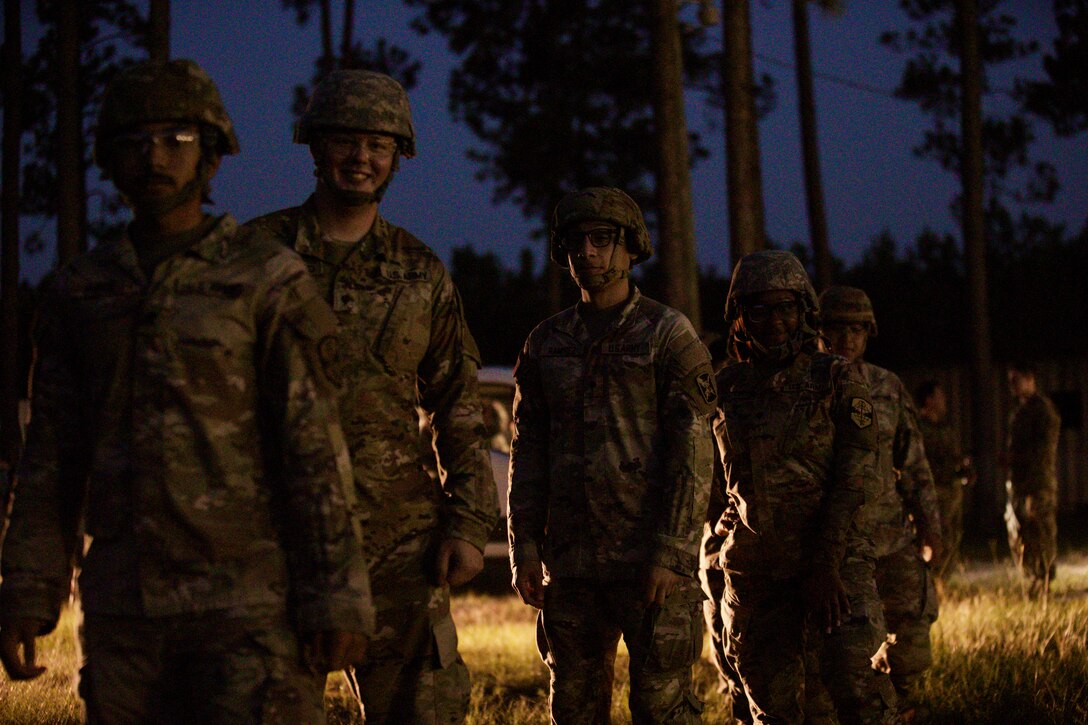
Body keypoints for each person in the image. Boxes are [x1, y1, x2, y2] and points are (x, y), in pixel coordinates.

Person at [0, 59, 373, 723]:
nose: (154, 157)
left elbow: (314, 450)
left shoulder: (266, 277)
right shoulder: (79, 292)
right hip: (124, 611)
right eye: (135, 140)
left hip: (248, 611)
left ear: (211, 153)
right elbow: (50, 459)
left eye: (176, 138)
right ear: (108, 157)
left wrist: (338, 597)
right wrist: (27, 589)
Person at [242, 69, 498, 723]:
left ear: (398, 156)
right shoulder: (252, 256)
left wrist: (470, 524)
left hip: (398, 544)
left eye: (378, 144)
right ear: (316, 147)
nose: (362, 157)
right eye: (347, 140)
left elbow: (459, 405)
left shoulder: (420, 273)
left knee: (425, 712)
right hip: (271, 539)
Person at [508, 187, 716, 723]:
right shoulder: (546, 343)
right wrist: (524, 548)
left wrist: (672, 552)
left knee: (661, 707)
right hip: (572, 567)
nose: (589, 253)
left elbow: (693, 450)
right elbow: (527, 451)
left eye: (603, 240)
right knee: (575, 708)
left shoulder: (667, 334)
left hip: (649, 564)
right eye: (577, 242)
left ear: (630, 248)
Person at [708, 252, 897, 724]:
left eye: (786, 308)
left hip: (835, 565)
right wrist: (719, 528)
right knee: (771, 708)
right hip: (757, 573)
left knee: (858, 693)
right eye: (760, 310)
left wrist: (826, 563)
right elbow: (700, 471)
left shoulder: (835, 378)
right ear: (739, 315)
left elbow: (856, 478)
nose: (774, 321)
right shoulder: (724, 388)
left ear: (805, 310)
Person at [819, 286, 941, 709]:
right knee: (837, 666)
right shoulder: (804, 388)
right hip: (832, 551)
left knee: (911, 647)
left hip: (890, 541)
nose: (848, 339)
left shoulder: (887, 387)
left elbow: (914, 463)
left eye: (857, 329)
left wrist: (929, 526)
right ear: (820, 331)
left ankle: (899, 709)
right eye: (837, 328)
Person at [1004, 362, 1061, 597]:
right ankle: (1033, 579)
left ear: (1030, 379)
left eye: (1016, 380)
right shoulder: (1020, 412)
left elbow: (1043, 452)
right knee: (1020, 533)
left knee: (1040, 532)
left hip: (1036, 484)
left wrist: (1016, 459)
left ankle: (1044, 580)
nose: (1012, 386)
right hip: (1018, 483)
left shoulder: (1042, 411)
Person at [915, 380, 973, 581]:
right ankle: (932, 583)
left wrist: (964, 468)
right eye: (939, 396)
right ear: (929, 400)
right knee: (934, 541)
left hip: (952, 494)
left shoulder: (945, 428)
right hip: (934, 494)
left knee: (951, 539)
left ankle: (943, 583)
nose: (944, 401)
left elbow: (954, 456)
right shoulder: (918, 429)